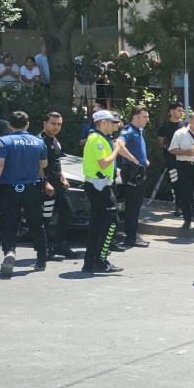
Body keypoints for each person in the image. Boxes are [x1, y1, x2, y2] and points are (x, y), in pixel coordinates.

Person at [0, 111, 50, 277]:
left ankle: (9, 252)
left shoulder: (5, 141)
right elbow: (43, 163)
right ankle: (41, 259)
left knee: (8, 223)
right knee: (36, 223)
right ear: (27, 124)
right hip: (32, 188)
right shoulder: (38, 142)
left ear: (10, 125)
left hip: (9, 189)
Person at [80, 110, 127, 274]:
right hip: (100, 187)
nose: (116, 125)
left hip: (100, 185)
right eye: (113, 122)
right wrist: (117, 149)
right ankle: (101, 260)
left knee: (96, 224)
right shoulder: (97, 140)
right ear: (103, 122)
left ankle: (90, 262)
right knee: (111, 222)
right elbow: (103, 163)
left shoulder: (101, 139)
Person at [40, 112, 80, 260]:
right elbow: (38, 166)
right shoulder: (40, 141)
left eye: (59, 124)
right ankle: (45, 249)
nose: (56, 126)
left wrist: (63, 178)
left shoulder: (55, 141)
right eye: (53, 123)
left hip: (58, 185)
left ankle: (61, 246)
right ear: (45, 123)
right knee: (45, 218)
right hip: (46, 186)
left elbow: (57, 162)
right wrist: (45, 183)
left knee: (67, 213)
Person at [116, 106, 151, 249]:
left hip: (138, 171)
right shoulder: (129, 130)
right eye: (144, 116)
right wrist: (135, 161)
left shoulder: (138, 131)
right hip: (132, 171)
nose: (147, 119)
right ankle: (131, 237)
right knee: (132, 205)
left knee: (136, 205)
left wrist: (144, 161)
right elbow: (118, 144)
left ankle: (133, 234)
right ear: (135, 117)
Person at [157, 103, 185, 216]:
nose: (181, 113)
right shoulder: (164, 127)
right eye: (179, 110)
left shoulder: (185, 125)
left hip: (184, 159)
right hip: (171, 160)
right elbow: (161, 144)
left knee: (185, 182)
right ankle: (178, 205)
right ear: (171, 111)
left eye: (182, 111)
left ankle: (187, 206)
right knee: (175, 182)